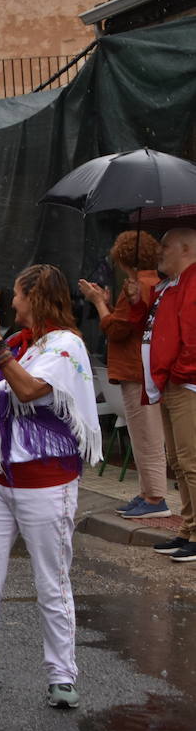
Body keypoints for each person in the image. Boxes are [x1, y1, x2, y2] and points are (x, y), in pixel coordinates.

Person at [0, 264, 101, 708]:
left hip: (46, 482)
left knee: (51, 582)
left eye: (17, 294)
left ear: (35, 297)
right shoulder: (20, 342)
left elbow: (30, 390)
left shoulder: (66, 344)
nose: (11, 301)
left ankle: (62, 676)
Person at [79, 231, 168, 519]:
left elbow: (117, 329)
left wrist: (97, 302)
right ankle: (147, 492)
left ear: (123, 259)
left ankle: (154, 497)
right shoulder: (155, 283)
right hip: (144, 368)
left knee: (145, 435)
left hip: (134, 368)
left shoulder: (138, 286)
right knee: (144, 434)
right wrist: (108, 303)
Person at [124, 228, 196, 562]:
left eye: (165, 246)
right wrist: (137, 301)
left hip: (185, 384)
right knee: (179, 462)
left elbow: (192, 337)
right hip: (170, 382)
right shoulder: (171, 285)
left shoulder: (192, 282)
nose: (159, 252)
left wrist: (179, 373)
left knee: (191, 462)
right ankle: (188, 528)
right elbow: (154, 326)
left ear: (186, 248)